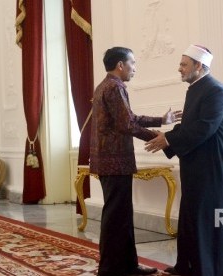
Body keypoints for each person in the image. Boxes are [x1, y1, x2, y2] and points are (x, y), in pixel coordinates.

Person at [144, 45, 223, 276]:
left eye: (184, 64)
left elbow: (204, 127)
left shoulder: (215, 91)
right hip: (199, 166)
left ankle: (211, 268)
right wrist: (169, 137)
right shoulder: (198, 88)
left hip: (215, 168)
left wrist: (169, 139)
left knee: (209, 219)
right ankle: (189, 266)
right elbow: (192, 126)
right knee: (193, 217)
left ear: (199, 66)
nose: (179, 69)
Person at [89, 46, 180, 276]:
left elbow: (128, 118)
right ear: (120, 65)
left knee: (120, 217)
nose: (135, 69)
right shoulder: (115, 87)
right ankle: (110, 270)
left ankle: (128, 266)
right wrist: (161, 139)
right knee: (116, 219)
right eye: (133, 63)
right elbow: (128, 125)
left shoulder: (105, 85)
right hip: (115, 163)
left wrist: (161, 120)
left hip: (110, 162)